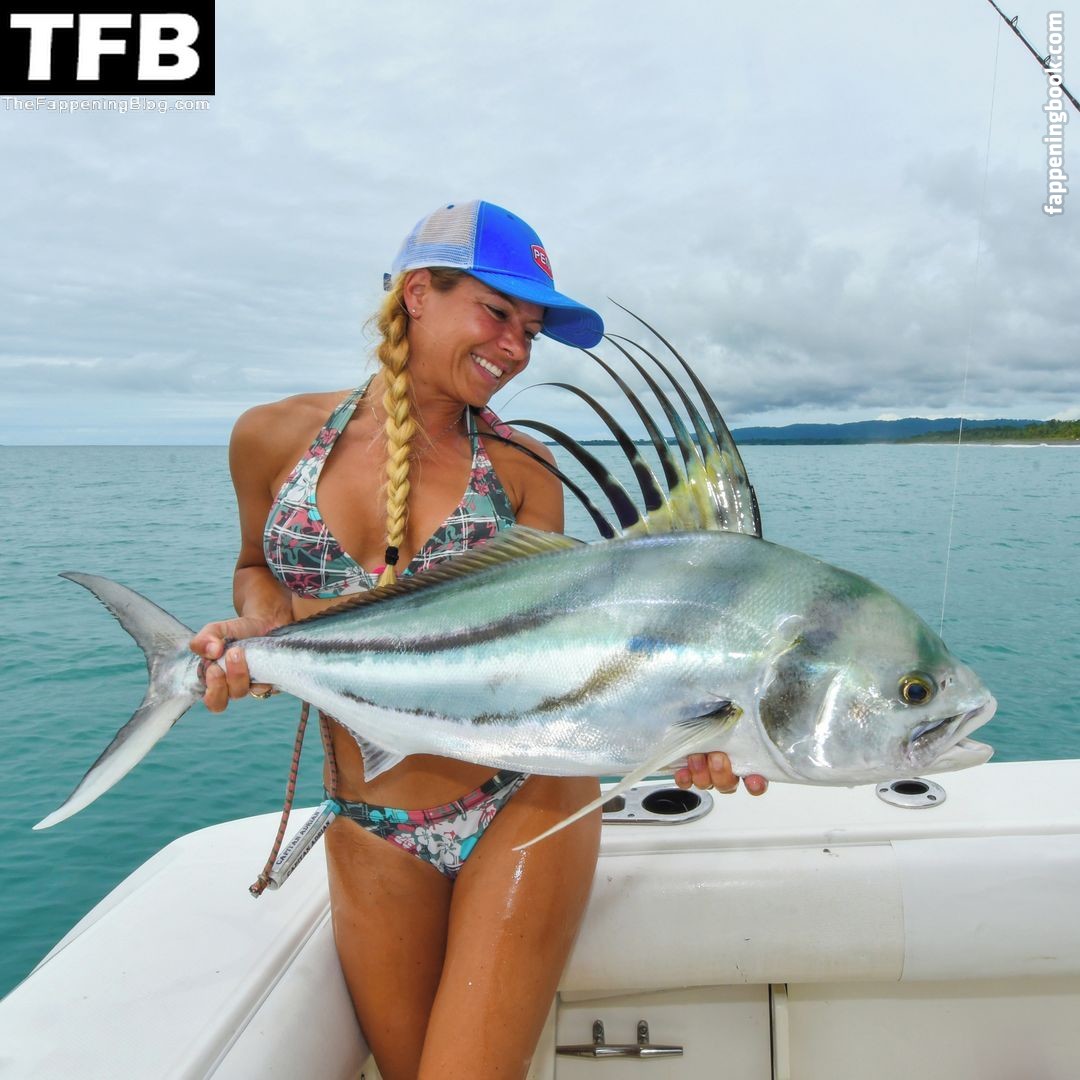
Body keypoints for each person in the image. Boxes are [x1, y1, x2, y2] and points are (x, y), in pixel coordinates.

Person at [189, 200, 767, 1080]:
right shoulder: (270, 438)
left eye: (530, 331)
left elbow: (563, 654)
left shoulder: (523, 470)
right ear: (419, 293)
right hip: (365, 820)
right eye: (498, 313)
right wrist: (260, 641)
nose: (515, 348)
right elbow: (254, 569)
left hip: (522, 802)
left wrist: (692, 724)